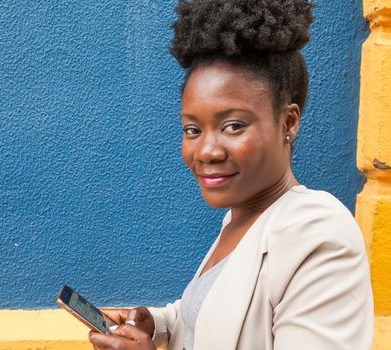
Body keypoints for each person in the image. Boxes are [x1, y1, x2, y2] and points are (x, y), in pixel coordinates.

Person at [88, 0, 374, 349]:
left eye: (233, 126)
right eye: (192, 129)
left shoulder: (318, 233)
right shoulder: (240, 220)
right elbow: (215, 316)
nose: (207, 151)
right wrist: (159, 325)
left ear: (288, 122)